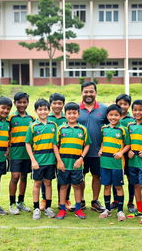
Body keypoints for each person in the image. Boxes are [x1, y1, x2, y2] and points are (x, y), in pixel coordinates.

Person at [53, 102, 91, 219]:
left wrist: (81, 158)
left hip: (76, 164)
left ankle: (78, 209)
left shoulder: (82, 129)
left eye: (74, 113)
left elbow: (87, 145)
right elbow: (55, 145)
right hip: (64, 163)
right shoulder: (61, 129)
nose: (72, 116)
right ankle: (62, 209)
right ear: (65, 114)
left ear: (78, 114)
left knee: (77, 186)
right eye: (69, 113)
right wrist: (59, 161)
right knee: (63, 186)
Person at [78, 81, 107, 212]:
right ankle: (81, 201)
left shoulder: (104, 109)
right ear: (81, 93)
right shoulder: (75, 109)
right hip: (79, 153)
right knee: (80, 177)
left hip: (97, 152)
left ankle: (95, 201)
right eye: (86, 91)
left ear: (96, 92)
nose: (88, 94)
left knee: (97, 176)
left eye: (91, 91)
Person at [25, 99, 57, 220]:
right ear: (36, 111)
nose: (43, 112)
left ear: (49, 111)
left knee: (48, 183)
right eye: (40, 109)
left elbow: (55, 144)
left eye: (45, 109)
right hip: (38, 161)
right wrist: (33, 160)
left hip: (50, 160)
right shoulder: (33, 126)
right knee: (37, 183)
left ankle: (48, 207)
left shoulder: (53, 125)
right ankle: (36, 208)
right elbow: (28, 144)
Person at [40, 93, 72, 211]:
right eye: (54, 103)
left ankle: (64, 200)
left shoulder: (67, 118)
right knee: (46, 178)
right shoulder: (46, 117)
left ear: (63, 104)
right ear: (50, 104)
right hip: (47, 153)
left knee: (64, 177)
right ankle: (44, 199)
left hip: (64, 153)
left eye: (60, 103)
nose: (57, 105)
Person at [98, 104, 130, 221]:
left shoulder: (123, 129)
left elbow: (128, 144)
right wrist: (101, 149)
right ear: (107, 116)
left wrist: (121, 153)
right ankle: (107, 209)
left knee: (118, 186)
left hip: (117, 163)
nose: (113, 117)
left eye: (116, 115)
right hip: (105, 162)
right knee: (106, 185)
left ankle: (120, 211)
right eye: (111, 115)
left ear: (120, 116)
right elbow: (103, 141)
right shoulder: (104, 128)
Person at [8, 92, 34, 215]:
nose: (22, 104)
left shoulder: (31, 119)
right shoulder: (10, 118)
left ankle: (21, 202)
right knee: (15, 177)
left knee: (24, 177)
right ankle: (12, 203)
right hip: (15, 153)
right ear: (15, 103)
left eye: (24, 102)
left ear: (28, 103)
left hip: (27, 154)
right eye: (19, 102)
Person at [110, 94, 136, 213]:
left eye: (125, 104)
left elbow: (135, 137)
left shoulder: (132, 120)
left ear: (129, 106)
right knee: (115, 177)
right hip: (115, 154)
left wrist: (131, 150)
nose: (122, 106)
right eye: (120, 104)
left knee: (131, 178)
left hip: (128, 154)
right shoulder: (113, 117)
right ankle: (116, 200)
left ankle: (131, 202)